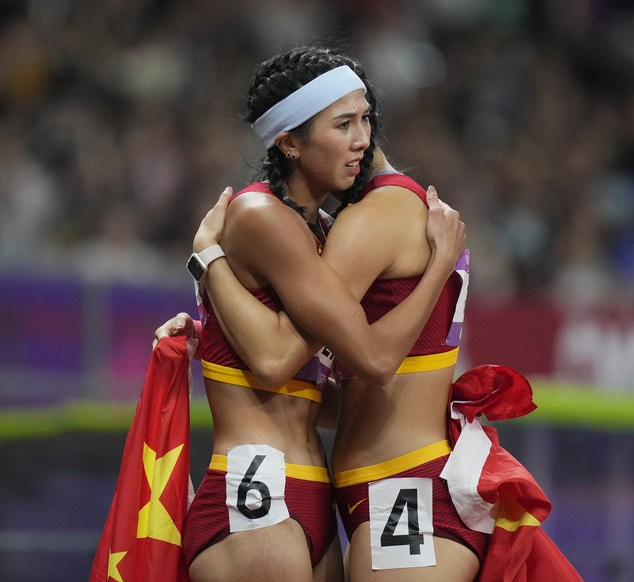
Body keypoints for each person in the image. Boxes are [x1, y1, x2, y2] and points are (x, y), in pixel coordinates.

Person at [190, 45, 485, 581]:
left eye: (365, 119)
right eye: (343, 124)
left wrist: (209, 270)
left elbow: (314, 377)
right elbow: (283, 360)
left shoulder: (330, 232)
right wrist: (205, 263)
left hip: (332, 490)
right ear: (289, 143)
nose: (363, 140)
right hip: (272, 488)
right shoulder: (267, 215)